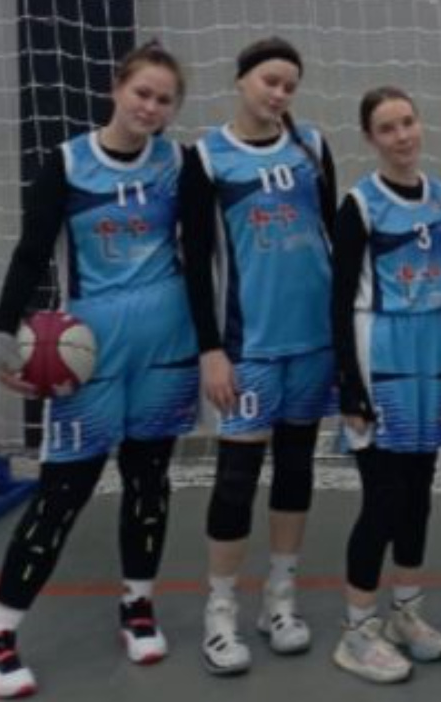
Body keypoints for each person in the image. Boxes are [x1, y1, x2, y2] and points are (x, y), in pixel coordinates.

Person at [0, 41, 199, 698]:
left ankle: (138, 605)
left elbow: (203, 252)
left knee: (149, 481)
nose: (150, 108)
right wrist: (2, 330)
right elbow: (31, 252)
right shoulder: (69, 163)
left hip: (166, 346)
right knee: (64, 492)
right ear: (116, 87)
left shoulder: (178, 163)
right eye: (142, 93)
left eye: (164, 100)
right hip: (90, 353)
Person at [181, 37, 338, 676]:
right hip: (249, 345)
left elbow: (334, 238)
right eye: (270, 81)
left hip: (314, 341)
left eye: (290, 86)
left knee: (297, 470)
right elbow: (196, 263)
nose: (279, 94)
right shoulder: (206, 157)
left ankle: (281, 599)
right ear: (241, 80)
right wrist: (210, 349)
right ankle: (220, 610)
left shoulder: (313, 146)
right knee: (236, 479)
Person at [329, 86, 441, 684]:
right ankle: (357, 630)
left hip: (433, 350)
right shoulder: (359, 205)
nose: (402, 136)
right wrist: (349, 385)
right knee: (383, 497)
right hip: (381, 349)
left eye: (408, 122)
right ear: (370, 138)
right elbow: (338, 301)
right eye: (387, 128)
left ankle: (405, 614)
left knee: (419, 492)